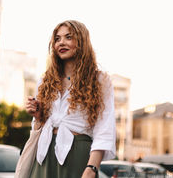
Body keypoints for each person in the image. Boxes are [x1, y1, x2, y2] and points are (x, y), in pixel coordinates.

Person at [26, 20, 116, 178]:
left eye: (68, 37)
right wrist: (39, 118)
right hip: (44, 153)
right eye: (57, 39)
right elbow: (37, 127)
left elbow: (104, 128)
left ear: (81, 42)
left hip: (78, 154)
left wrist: (92, 168)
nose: (61, 42)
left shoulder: (100, 80)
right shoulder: (45, 80)